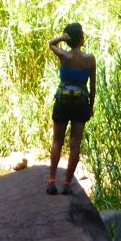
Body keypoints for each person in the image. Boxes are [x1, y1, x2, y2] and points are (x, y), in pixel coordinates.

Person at [45, 22, 96, 195]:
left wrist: (62, 38)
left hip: (63, 102)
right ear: (80, 39)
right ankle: (67, 184)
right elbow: (93, 87)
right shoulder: (90, 60)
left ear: (69, 40)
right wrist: (91, 107)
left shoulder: (64, 56)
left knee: (57, 141)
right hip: (81, 103)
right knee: (75, 144)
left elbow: (51, 43)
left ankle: (52, 182)